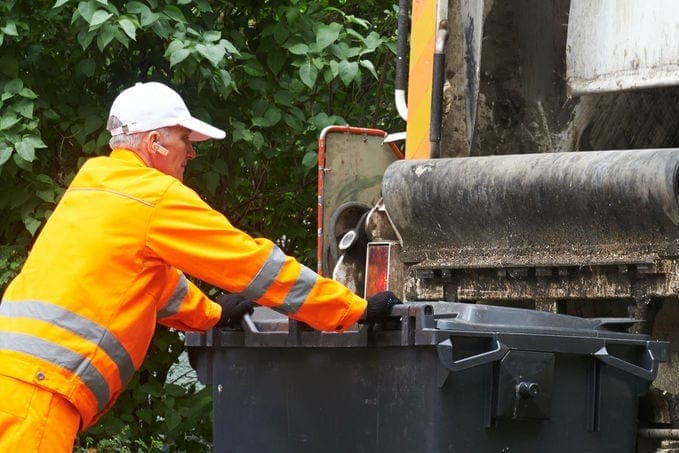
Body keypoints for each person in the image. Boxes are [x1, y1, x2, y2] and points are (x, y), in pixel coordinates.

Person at [0, 81, 401, 451]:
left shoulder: (94, 186)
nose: (191, 152)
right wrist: (351, 310)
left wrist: (211, 315)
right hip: (38, 394)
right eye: (184, 139)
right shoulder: (154, 196)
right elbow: (255, 265)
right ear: (155, 142)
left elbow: (148, 282)